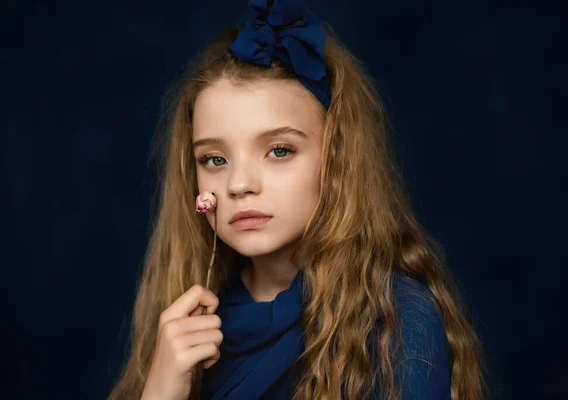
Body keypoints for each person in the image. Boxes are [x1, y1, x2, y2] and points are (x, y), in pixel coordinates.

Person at [108, 0, 487, 399]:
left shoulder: (397, 321)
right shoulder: (186, 329)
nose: (238, 184)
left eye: (279, 151)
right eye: (214, 159)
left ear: (337, 161)